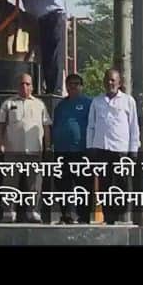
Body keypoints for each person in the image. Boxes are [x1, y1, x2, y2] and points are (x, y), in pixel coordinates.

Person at [86, 68, 140, 224]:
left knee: (121, 184)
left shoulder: (128, 101)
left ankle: (120, 216)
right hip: (101, 149)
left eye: (113, 80)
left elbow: (133, 127)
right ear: (104, 82)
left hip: (121, 151)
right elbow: (91, 126)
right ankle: (108, 217)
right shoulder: (97, 101)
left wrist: (133, 151)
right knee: (104, 184)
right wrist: (90, 147)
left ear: (119, 83)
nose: (110, 83)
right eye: (107, 80)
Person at [0, 73, 52, 224]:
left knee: (34, 185)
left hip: (34, 151)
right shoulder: (8, 103)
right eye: (22, 84)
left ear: (32, 87)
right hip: (12, 150)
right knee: (9, 183)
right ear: (17, 86)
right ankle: (8, 213)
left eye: (27, 84)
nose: (24, 87)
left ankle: (33, 212)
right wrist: (0, 143)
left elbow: (46, 127)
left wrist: (47, 146)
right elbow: (0, 125)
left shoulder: (39, 104)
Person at [52, 73, 92, 224]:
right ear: (66, 86)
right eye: (70, 84)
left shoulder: (89, 103)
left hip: (82, 152)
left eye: (76, 83)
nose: (73, 86)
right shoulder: (61, 105)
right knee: (63, 186)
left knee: (83, 186)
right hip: (62, 152)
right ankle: (66, 215)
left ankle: (84, 216)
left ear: (81, 86)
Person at [32, 0, 67, 95]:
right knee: (45, 54)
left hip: (54, 16)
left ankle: (56, 87)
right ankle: (48, 86)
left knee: (54, 54)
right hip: (43, 19)